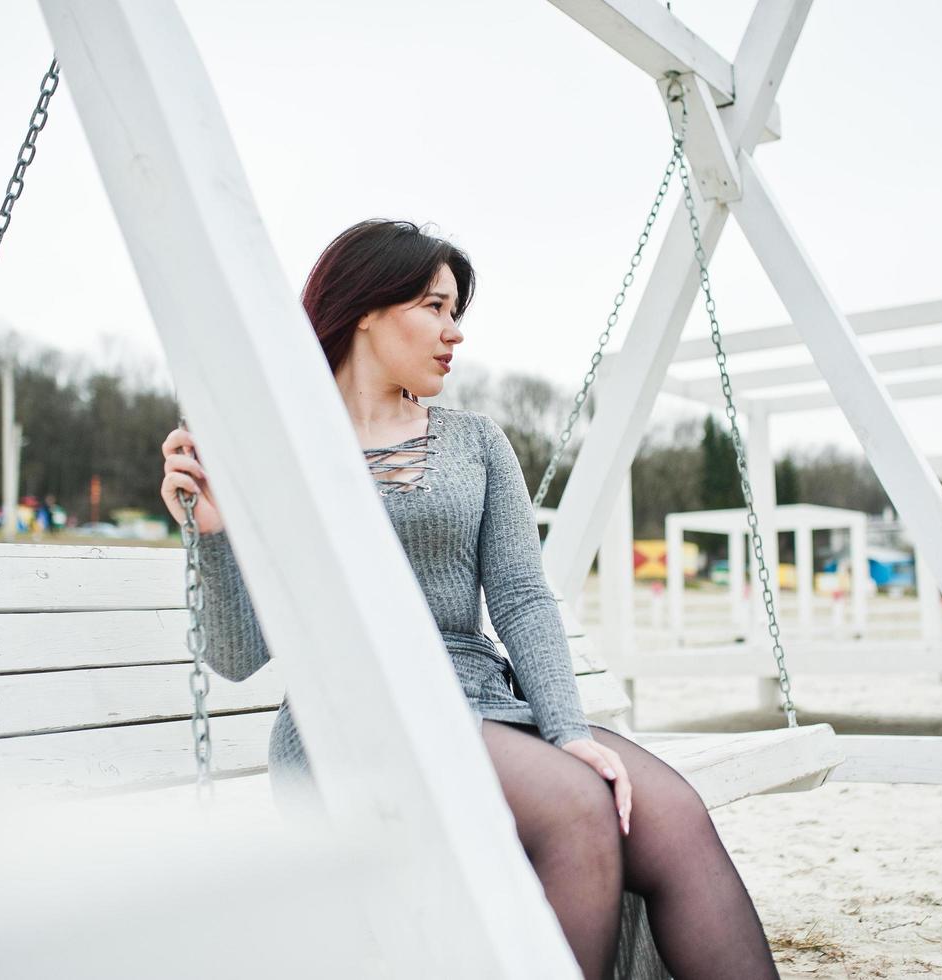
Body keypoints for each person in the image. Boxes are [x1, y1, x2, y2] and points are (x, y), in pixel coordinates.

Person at [158, 219, 779, 980]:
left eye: (457, 313)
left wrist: (566, 729)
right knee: (577, 812)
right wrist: (215, 535)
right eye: (434, 307)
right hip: (353, 718)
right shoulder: (276, 450)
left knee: (670, 816)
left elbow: (520, 596)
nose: (454, 333)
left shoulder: (476, 441)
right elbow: (236, 655)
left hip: (481, 697)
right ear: (365, 309)